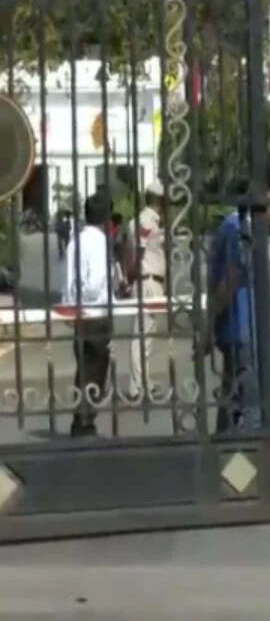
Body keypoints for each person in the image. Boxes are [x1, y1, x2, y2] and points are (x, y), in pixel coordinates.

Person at [62, 194, 121, 438]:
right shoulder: (99, 243)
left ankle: (80, 420)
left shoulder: (76, 240)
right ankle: (86, 422)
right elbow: (95, 282)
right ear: (106, 217)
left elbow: (68, 279)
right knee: (96, 368)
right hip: (95, 313)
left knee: (84, 368)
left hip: (80, 314)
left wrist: (71, 303)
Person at [206, 178, 257, 434]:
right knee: (247, 402)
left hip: (237, 327)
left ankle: (224, 451)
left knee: (232, 393)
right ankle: (238, 461)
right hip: (241, 327)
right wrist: (211, 322)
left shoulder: (232, 226)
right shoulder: (239, 228)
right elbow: (230, 278)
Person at [128, 180, 170, 399]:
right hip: (148, 282)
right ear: (159, 200)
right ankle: (136, 385)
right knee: (142, 335)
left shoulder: (150, 220)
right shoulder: (146, 220)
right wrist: (132, 277)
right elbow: (139, 250)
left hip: (150, 281)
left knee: (147, 335)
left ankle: (143, 379)